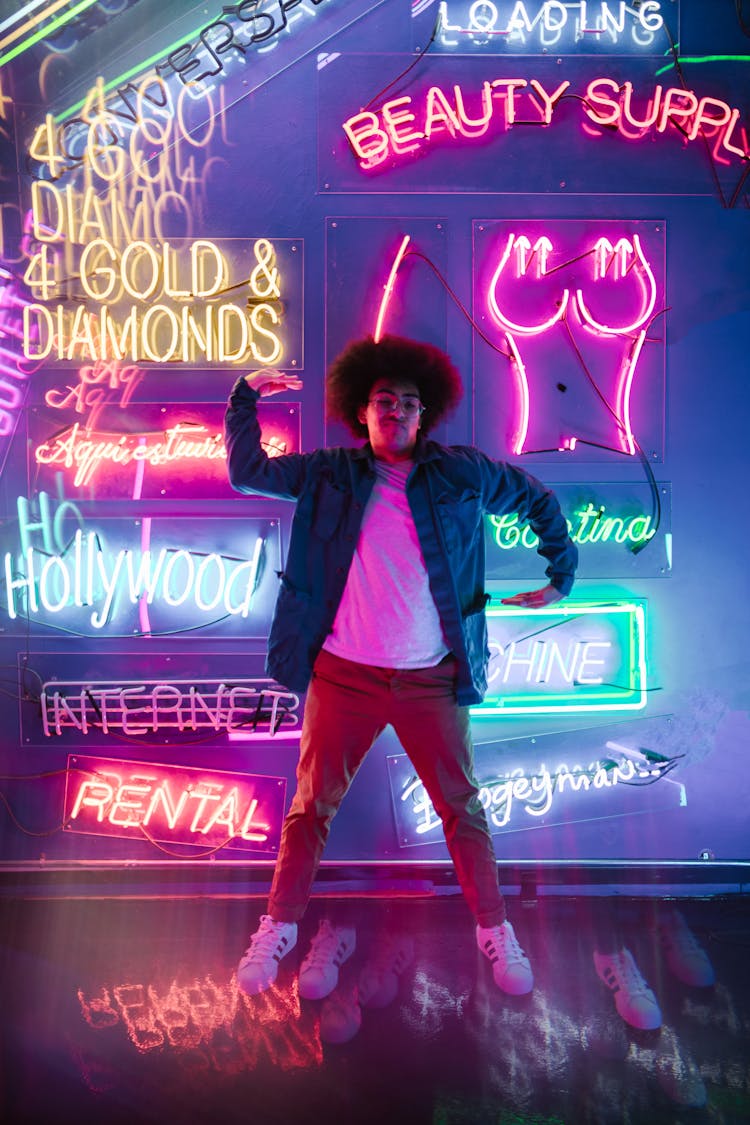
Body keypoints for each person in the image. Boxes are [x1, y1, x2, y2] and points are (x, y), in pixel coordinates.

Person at [224, 334, 578, 999]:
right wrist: (244, 398)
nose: (396, 411)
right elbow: (249, 473)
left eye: (409, 403)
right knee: (309, 810)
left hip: (431, 679)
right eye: (384, 401)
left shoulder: (460, 474)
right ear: (363, 411)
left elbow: (537, 499)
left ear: (425, 415)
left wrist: (561, 574)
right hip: (343, 675)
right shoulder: (328, 472)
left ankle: (495, 929)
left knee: (462, 809)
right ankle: (278, 928)